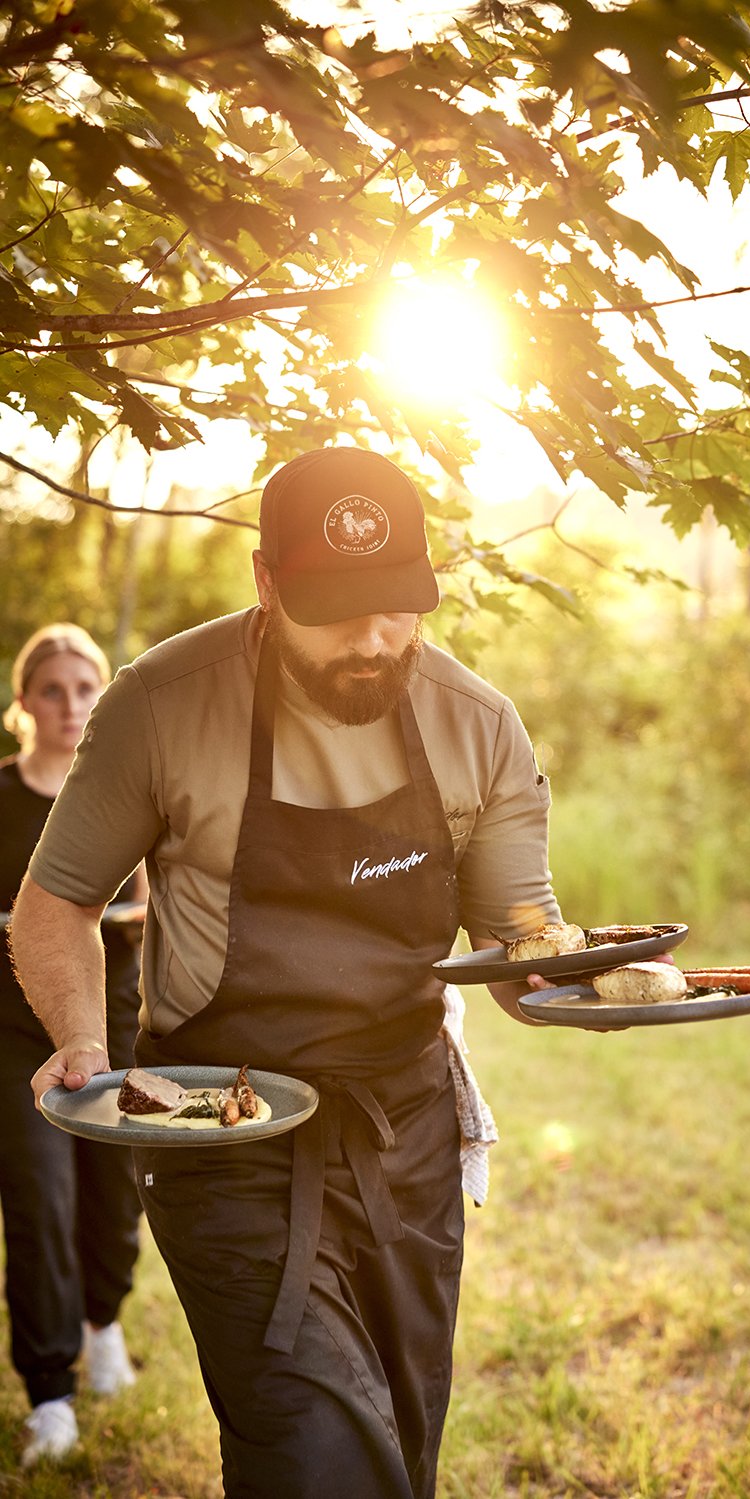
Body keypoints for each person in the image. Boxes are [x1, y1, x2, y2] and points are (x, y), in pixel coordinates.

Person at [10, 447, 566, 1498]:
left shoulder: (478, 723)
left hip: (405, 1133)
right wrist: (84, 1039)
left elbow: (518, 938)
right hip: (220, 1129)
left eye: (397, 605)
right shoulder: (162, 705)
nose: (373, 638)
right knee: (310, 1442)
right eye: (338, 608)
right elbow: (57, 903)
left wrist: (594, 975)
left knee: (401, 1435)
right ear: (267, 585)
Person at [0, 624, 145, 1467]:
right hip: (14, 1033)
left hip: (117, 1023)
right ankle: (50, 1393)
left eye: (85, 688)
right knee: (39, 1203)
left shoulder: (120, 792)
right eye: (52, 689)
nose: (70, 704)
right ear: (24, 702)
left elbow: (159, 900)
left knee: (115, 1192)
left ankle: (104, 1322)